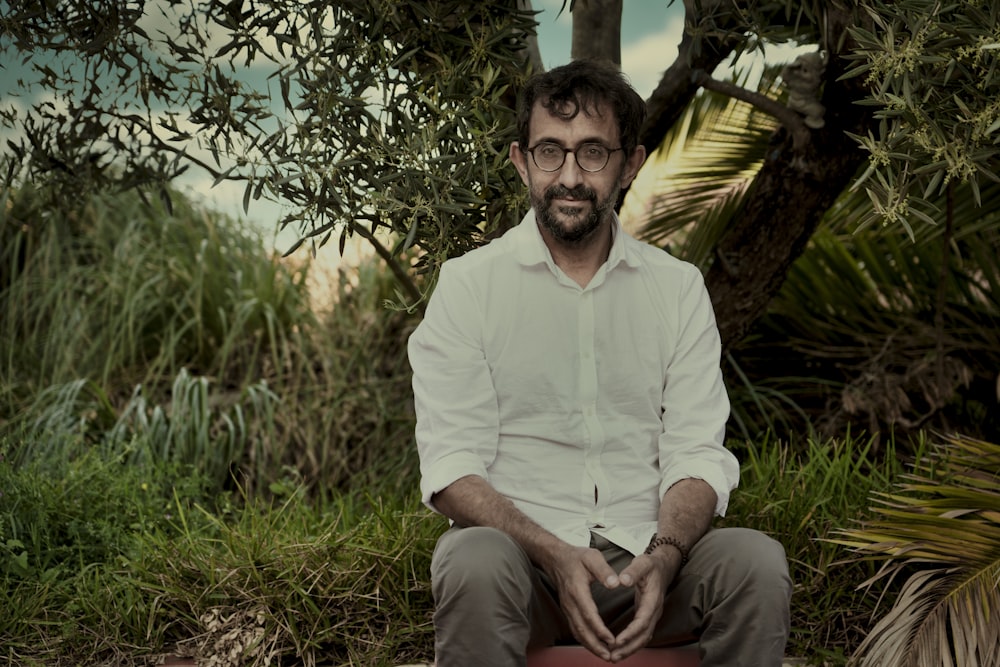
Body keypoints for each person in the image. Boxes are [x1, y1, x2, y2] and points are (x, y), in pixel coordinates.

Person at [407, 59, 792, 667]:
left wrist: (665, 554)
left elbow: (696, 450)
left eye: (592, 152)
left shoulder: (677, 288)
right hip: (524, 570)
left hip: (648, 564)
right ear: (520, 160)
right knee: (470, 559)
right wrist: (553, 553)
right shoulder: (468, 286)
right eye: (549, 152)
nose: (568, 176)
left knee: (754, 563)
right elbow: (452, 466)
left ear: (629, 164)